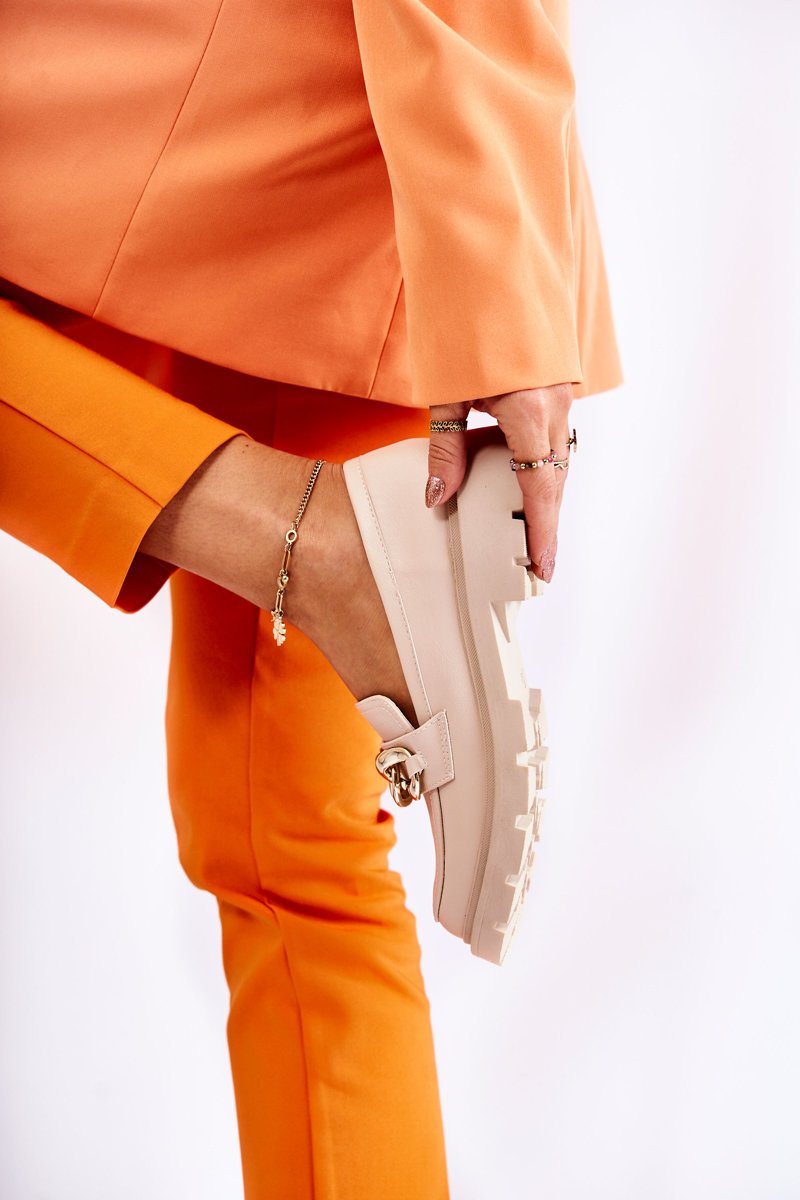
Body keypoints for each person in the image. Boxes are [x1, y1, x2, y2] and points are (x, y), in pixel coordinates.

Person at [0, 1, 623, 1195]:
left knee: (296, 854)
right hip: (368, 172)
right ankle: (327, 548)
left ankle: (318, 545)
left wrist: (502, 291)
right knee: (293, 850)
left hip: (220, 100)